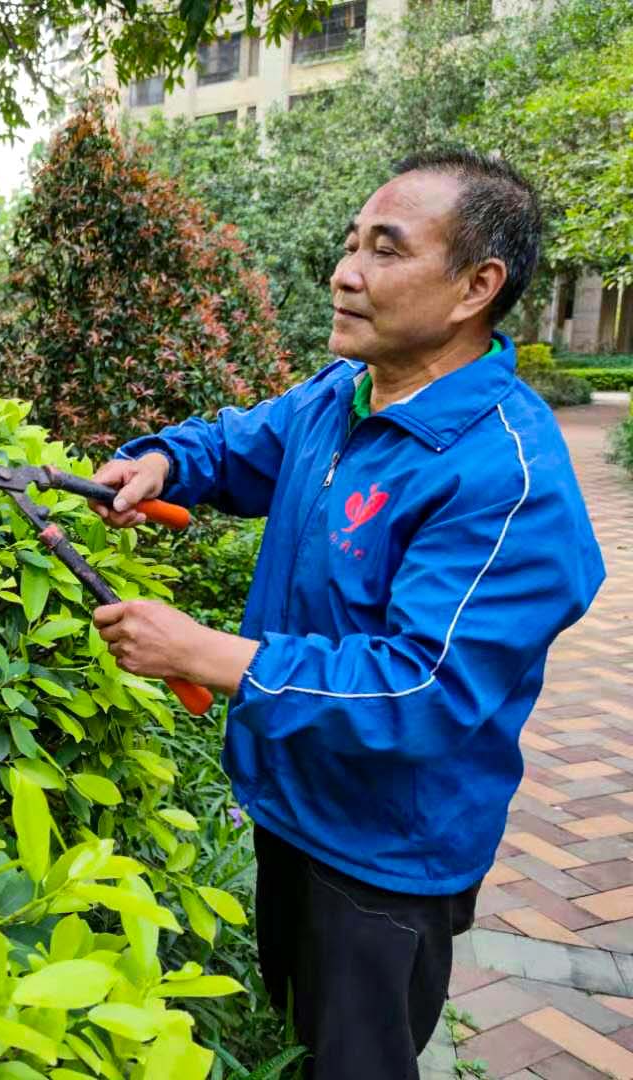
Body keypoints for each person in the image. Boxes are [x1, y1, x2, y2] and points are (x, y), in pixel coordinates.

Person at [87, 149, 605, 1078]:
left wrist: (208, 653)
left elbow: (425, 685)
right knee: (297, 1040)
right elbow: (244, 445)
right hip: (292, 804)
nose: (345, 271)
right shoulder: (347, 393)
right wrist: (163, 464)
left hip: (384, 859)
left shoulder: (506, 478)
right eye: (350, 243)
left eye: (385, 249)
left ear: (473, 287)